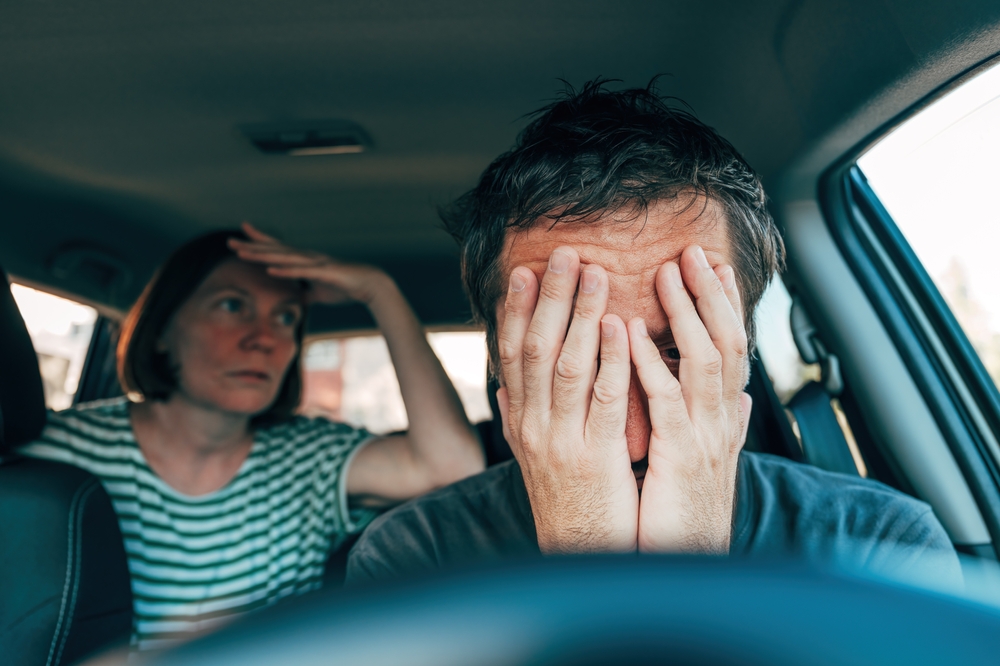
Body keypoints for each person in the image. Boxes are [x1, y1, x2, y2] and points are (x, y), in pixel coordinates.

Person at [346, 81, 961, 587]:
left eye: (678, 352)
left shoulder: (881, 548)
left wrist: (686, 567)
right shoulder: (412, 559)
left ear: (739, 349)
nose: (634, 439)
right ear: (501, 362)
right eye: (575, 355)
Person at [19, 223, 484, 651]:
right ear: (162, 329)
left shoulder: (309, 456)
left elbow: (454, 468)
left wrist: (379, 292)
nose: (263, 337)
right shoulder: (57, 450)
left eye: (285, 318)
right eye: (232, 306)